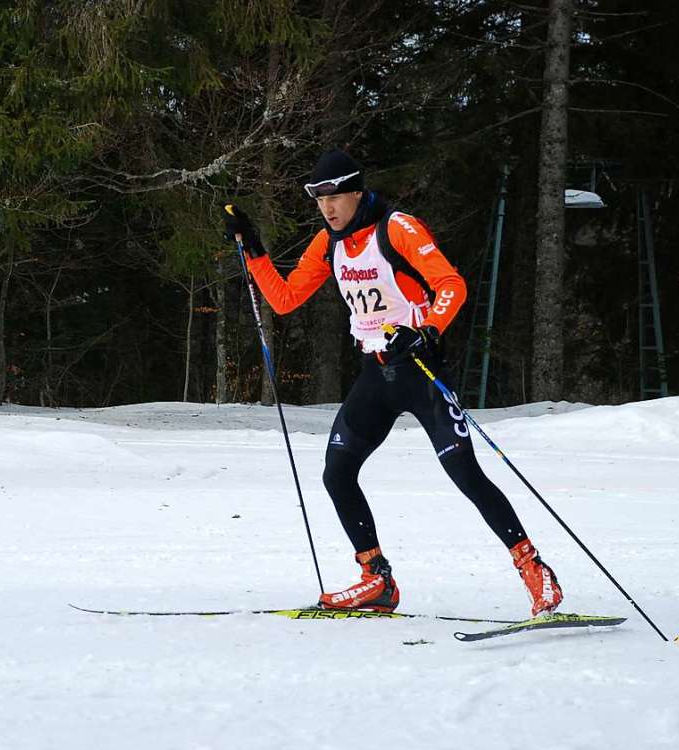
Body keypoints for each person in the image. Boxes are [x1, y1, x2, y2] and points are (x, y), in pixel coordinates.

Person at [221, 148, 562, 616]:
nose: (328, 209)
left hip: (420, 370)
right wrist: (254, 248)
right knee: (337, 473)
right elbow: (283, 299)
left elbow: (451, 285)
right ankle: (375, 579)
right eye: (319, 201)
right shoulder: (328, 243)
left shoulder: (397, 228)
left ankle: (534, 569)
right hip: (375, 374)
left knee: (465, 473)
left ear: (357, 193)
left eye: (335, 198)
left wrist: (427, 331)